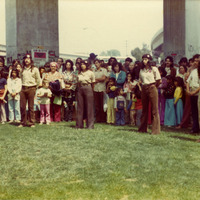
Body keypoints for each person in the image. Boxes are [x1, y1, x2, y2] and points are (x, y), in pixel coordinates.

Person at [138, 54, 161, 135]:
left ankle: (155, 130)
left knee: (154, 109)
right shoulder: (141, 70)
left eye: (146, 59)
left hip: (152, 87)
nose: (144, 61)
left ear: (149, 60)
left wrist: (154, 86)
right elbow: (140, 80)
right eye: (143, 59)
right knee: (144, 109)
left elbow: (159, 80)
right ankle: (143, 128)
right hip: (144, 87)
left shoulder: (154, 69)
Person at [19, 54, 40, 127]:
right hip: (23, 89)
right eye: (25, 58)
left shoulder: (35, 69)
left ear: (31, 60)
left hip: (31, 88)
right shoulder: (22, 69)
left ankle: (31, 122)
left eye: (28, 58)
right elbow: (20, 79)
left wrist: (34, 88)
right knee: (22, 106)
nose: (26, 60)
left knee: (31, 107)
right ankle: (23, 122)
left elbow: (38, 80)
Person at [76, 60, 95, 129]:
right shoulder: (79, 73)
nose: (82, 65)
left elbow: (93, 83)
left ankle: (90, 125)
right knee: (80, 107)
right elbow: (77, 82)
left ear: (87, 65)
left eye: (84, 64)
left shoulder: (91, 73)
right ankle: (79, 125)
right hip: (80, 88)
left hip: (88, 87)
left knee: (89, 107)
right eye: (81, 64)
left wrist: (91, 90)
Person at [186, 54, 200, 134]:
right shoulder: (193, 71)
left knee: (198, 112)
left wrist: (194, 92)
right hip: (192, 92)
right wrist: (188, 90)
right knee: (194, 112)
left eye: (197, 61)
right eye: (195, 61)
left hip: (197, 93)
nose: (196, 63)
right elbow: (188, 81)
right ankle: (195, 128)